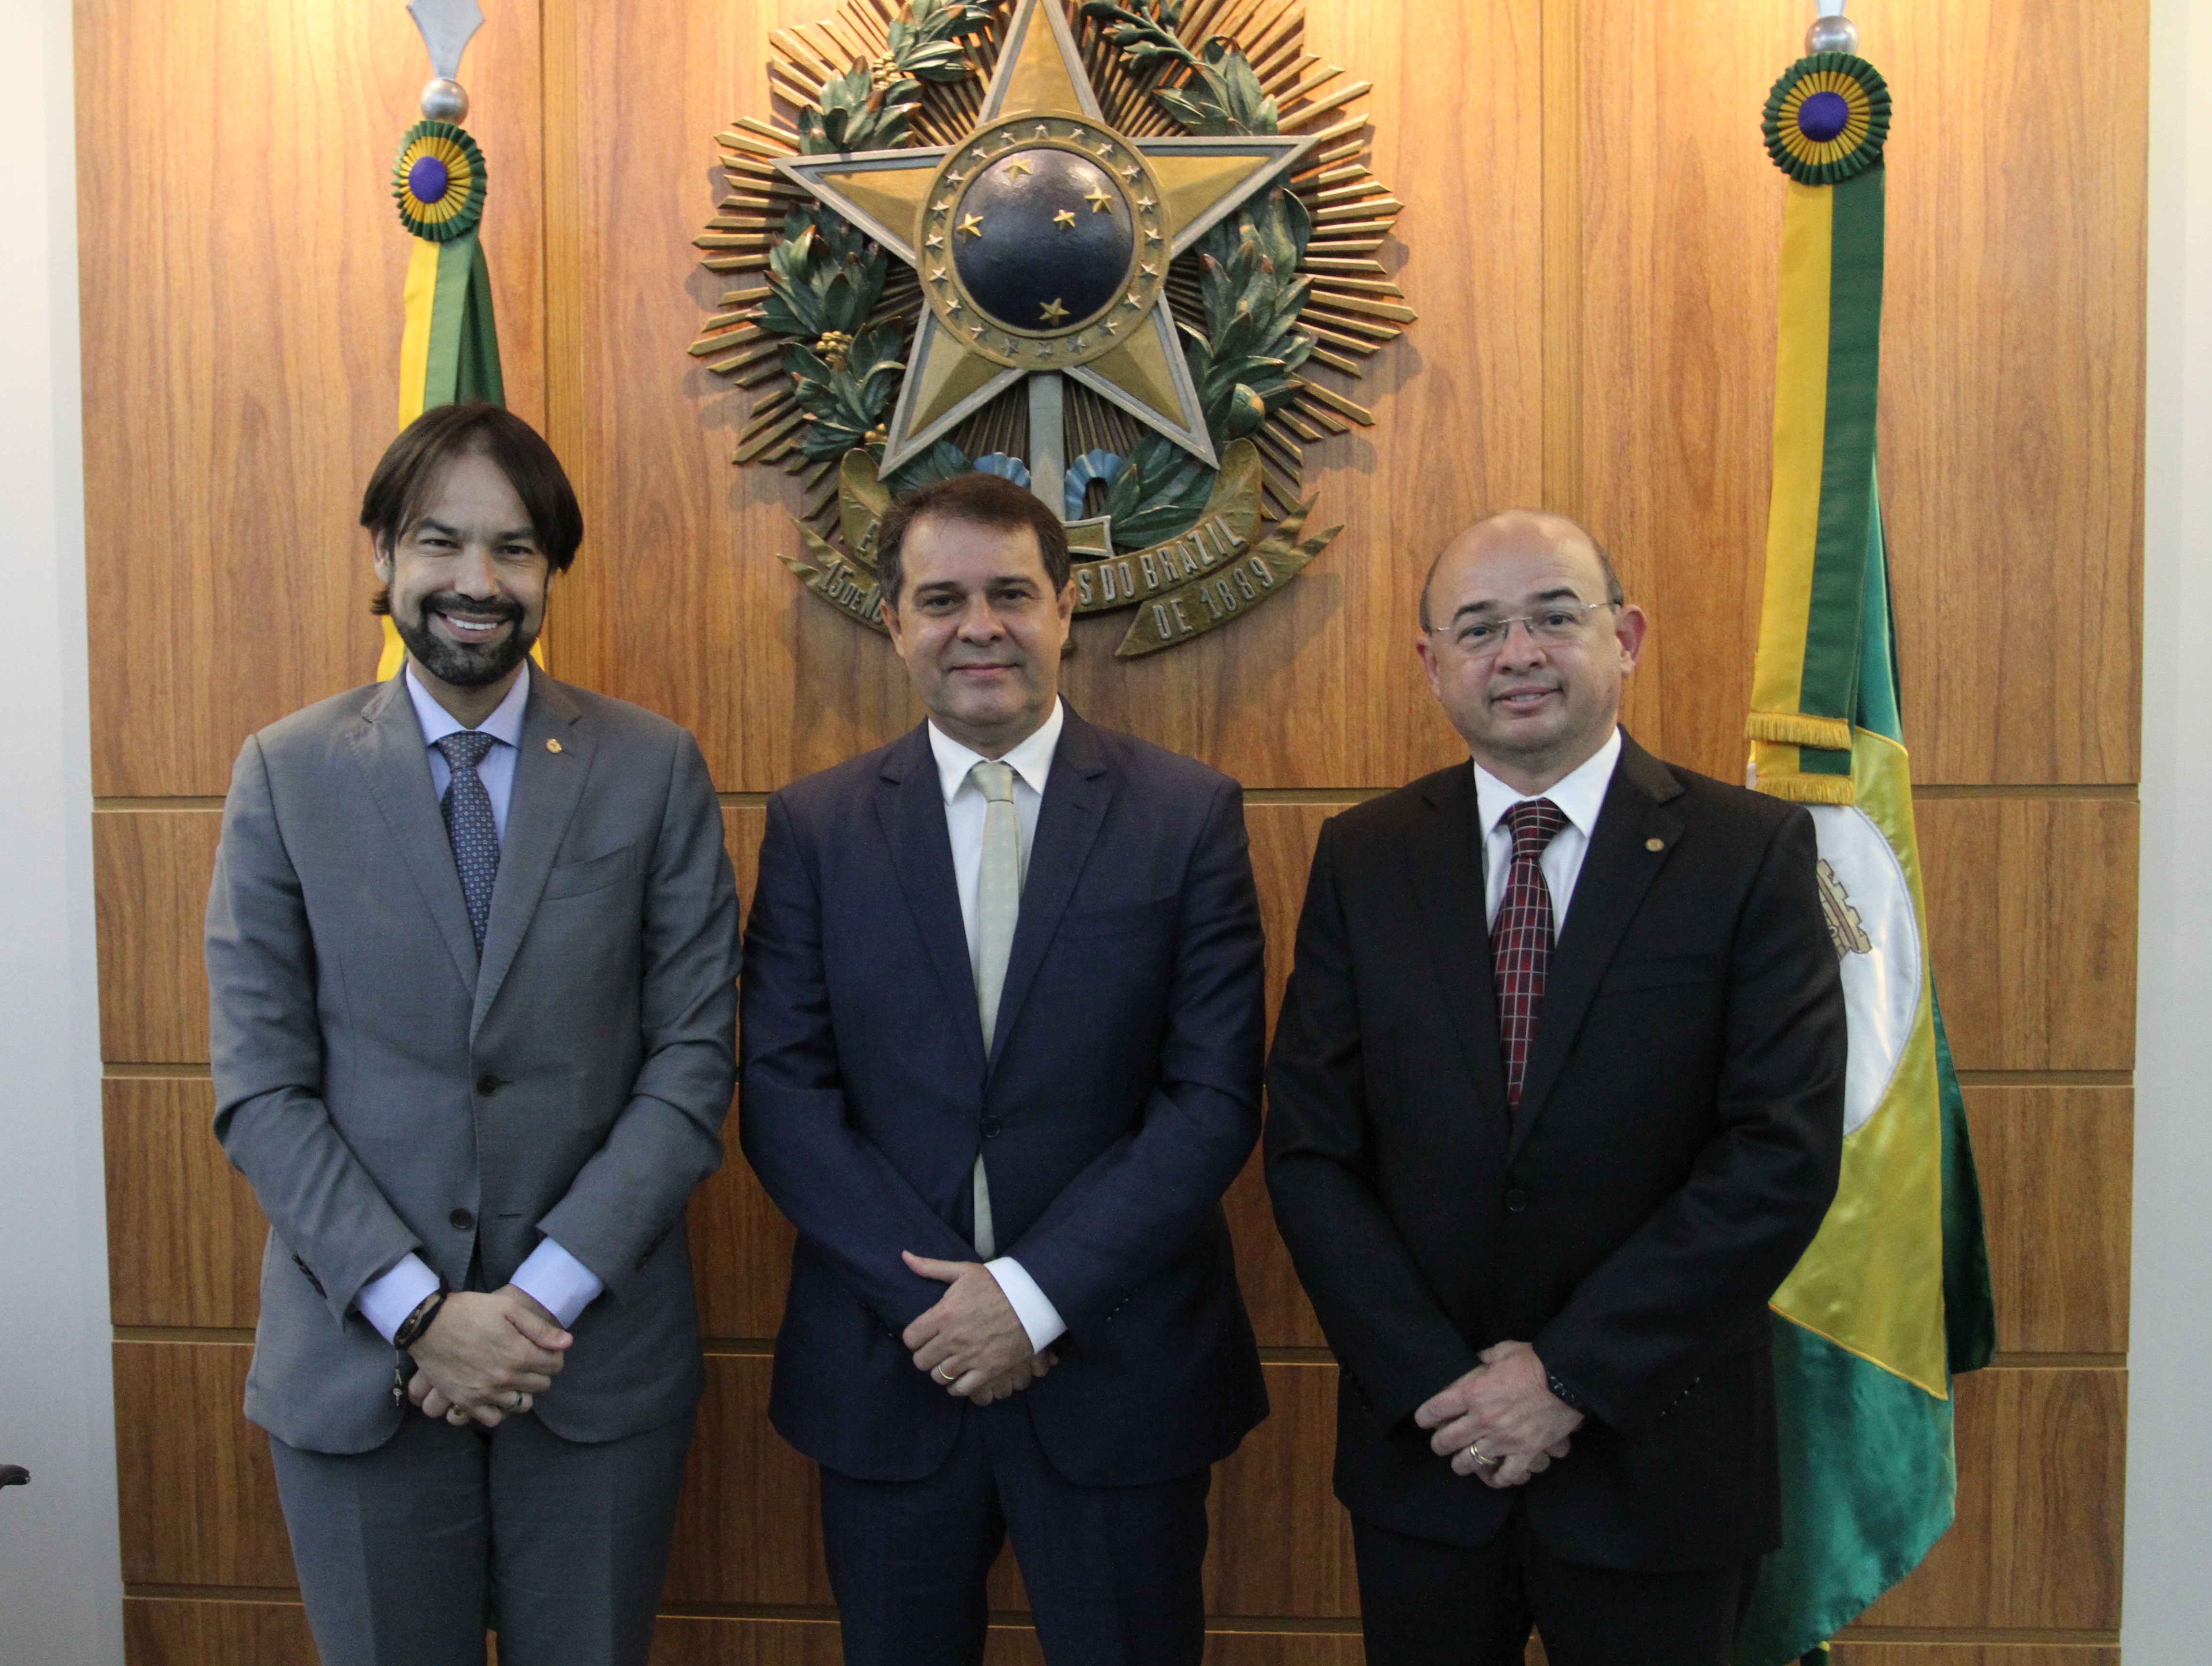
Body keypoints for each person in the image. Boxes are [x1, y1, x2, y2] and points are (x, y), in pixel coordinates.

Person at [204, 403, 740, 1666]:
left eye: (513, 550)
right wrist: (419, 1313)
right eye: (441, 542)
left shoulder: (653, 769)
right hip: (359, 1370)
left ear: (551, 572)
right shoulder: (285, 775)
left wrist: (533, 1305)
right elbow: (262, 1086)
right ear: (383, 555)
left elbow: (691, 1063)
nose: (475, 583)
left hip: (592, 1364)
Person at [1262, 510, 1846, 1665]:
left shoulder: (1751, 853)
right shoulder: (1365, 857)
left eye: (1554, 616)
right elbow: (1311, 1148)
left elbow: (1779, 1153)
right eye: (1478, 628)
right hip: (1428, 1452)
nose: (1517, 652)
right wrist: (1444, 1388)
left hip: (1660, 1458)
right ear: (1432, 665)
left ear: (1626, 637)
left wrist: (1570, 1376)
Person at [738, 472, 1269, 1666]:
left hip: (1120, 1373)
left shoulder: (1187, 817)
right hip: (890, 1368)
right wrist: (940, 1307)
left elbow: (1211, 1097)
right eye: (942, 598)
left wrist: (1030, 1298)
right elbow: (782, 1094)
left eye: (1010, 594)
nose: (978, 625)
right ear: (893, 623)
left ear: (1066, 607)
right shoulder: (816, 828)